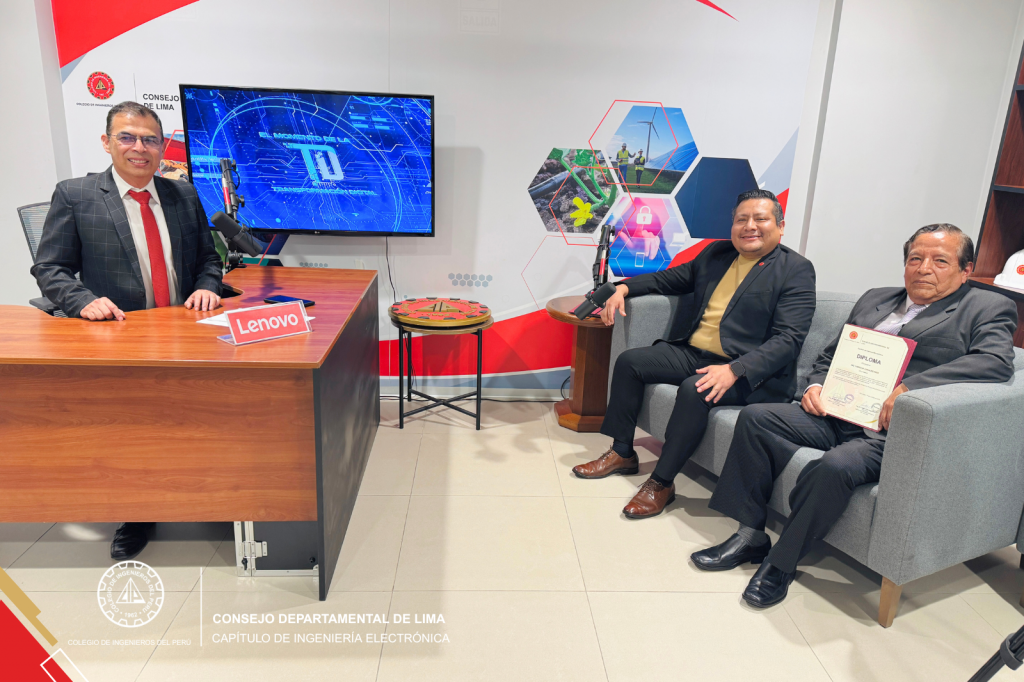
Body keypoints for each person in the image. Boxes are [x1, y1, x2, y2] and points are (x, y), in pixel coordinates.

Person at [692, 223, 1018, 609]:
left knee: (835, 466)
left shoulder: (987, 307)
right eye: (915, 258)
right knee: (756, 418)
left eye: (940, 261)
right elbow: (831, 355)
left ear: (966, 270)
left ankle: (781, 563)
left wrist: (911, 389)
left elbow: (995, 361)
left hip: (888, 432)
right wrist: (815, 386)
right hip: (836, 412)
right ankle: (749, 534)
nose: (924, 268)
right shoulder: (876, 298)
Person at [31, 101, 224, 559]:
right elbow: (50, 268)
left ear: (161, 147)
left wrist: (207, 286)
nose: (140, 147)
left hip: (183, 332)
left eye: (150, 139)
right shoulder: (76, 195)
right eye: (127, 137)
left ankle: (212, 498)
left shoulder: (184, 195)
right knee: (134, 433)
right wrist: (82, 301)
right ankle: (137, 513)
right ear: (107, 142)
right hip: (122, 336)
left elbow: (208, 259)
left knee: (196, 421)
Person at [572, 189, 816, 520]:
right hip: (696, 353)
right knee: (631, 362)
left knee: (695, 388)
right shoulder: (718, 253)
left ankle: (661, 482)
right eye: (742, 219)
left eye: (760, 219)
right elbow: (669, 279)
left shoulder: (796, 269)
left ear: (780, 226)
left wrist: (735, 369)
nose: (750, 226)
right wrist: (623, 287)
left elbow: (789, 339)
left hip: (750, 373)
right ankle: (623, 452)